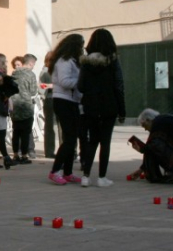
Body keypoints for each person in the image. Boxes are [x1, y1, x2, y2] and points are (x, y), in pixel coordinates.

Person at [77, 28, 126, 188]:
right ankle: (102, 177)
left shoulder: (85, 63)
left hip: (90, 106)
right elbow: (119, 86)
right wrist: (122, 109)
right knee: (105, 142)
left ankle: (85, 176)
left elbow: (81, 86)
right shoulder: (113, 61)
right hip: (109, 105)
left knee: (92, 141)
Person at [128, 108, 173, 185]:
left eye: (144, 125)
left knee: (151, 148)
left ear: (148, 120)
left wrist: (142, 149)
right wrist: (141, 170)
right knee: (151, 147)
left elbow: (154, 147)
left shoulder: (159, 124)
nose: (145, 129)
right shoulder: (161, 121)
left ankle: (166, 175)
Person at [48, 33, 85, 185]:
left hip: (72, 101)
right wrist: (81, 81)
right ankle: (55, 171)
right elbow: (64, 81)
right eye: (81, 46)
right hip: (63, 101)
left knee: (73, 138)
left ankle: (68, 172)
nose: (82, 49)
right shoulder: (64, 60)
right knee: (69, 138)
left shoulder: (72, 61)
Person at [10, 54, 38, 166]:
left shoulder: (14, 73)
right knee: (26, 132)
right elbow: (33, 91)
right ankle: (24, 155)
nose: (33, 67)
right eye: (33, 64)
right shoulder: (31, 74)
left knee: (16, 131)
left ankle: (16, 154)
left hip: (15, 105)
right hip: (26, 105)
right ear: (30, 63)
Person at [39, 51, 56, 158]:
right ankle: (49, 152)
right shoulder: (44, 72)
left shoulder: (58, 70)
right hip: (50, 100)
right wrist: (51, 86)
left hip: (59, 99)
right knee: (49, 126)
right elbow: (41, 86)